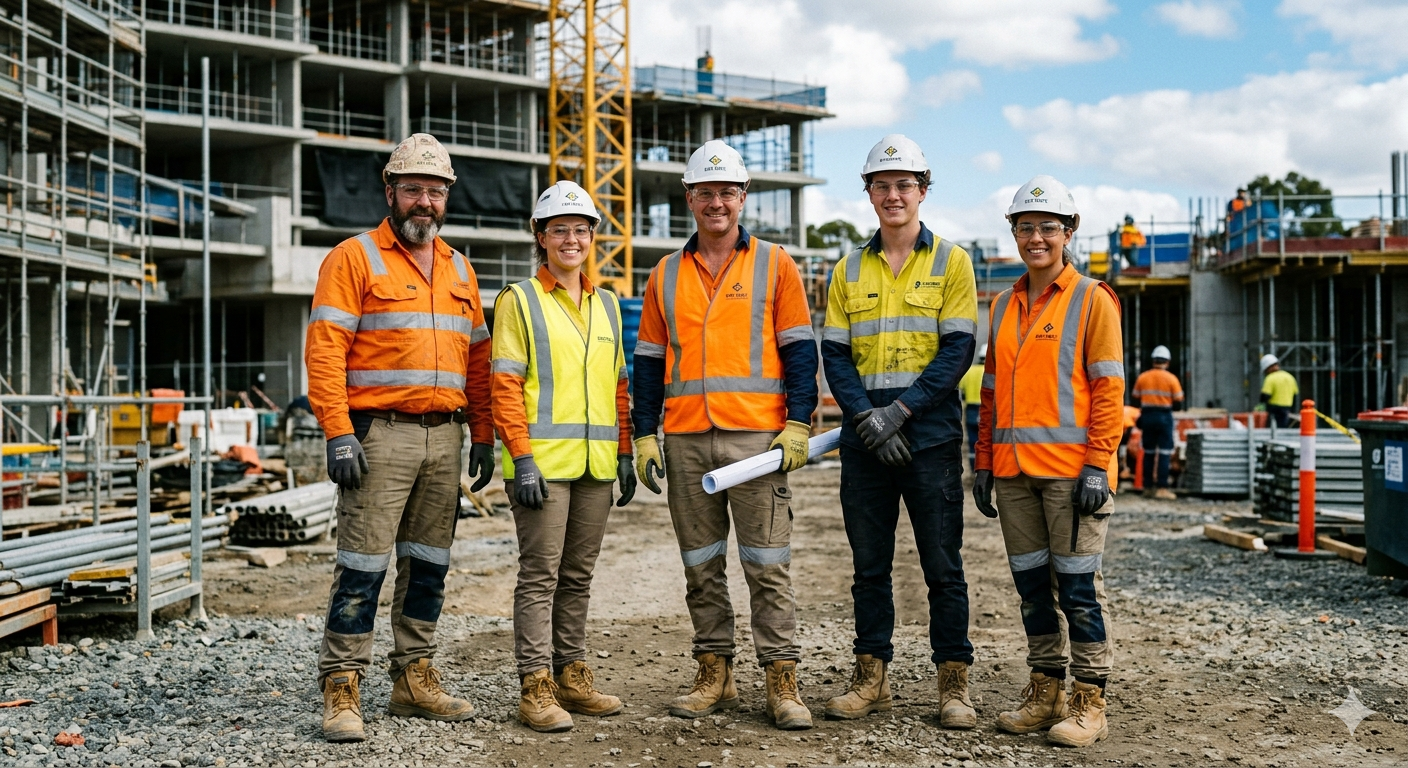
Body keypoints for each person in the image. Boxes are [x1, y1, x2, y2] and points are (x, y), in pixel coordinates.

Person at [305, 133, 495, 743]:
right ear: (390, 192)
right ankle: (342, 684)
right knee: (362, 564)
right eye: (413, 189)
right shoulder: (354, 258)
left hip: (446, 439)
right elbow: (325, 350)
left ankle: (414, 677)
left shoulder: (460, 268)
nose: (425, 202)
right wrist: (337, 431)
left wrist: (485, 436)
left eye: (435, 192)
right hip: (379, 436)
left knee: (429, 565)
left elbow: (480, 362)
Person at [632, 139, 820, 731]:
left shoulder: (774, 263)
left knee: (767, 564)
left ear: (744, 198)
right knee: (701, 565)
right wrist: (643, 434)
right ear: (689, 197)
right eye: (706, 192)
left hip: (758, 444)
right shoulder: (664, 273)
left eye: (728, 193)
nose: (718, 203)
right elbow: (647, 362)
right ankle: (714, 671)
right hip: (687, 439)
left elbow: (799, 352)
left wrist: (798, 421)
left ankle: (781, 681)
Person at [819, 134, 979, 727]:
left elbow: (957, 350)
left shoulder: (952, 262)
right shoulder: (847, 269)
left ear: (923, 191)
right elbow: (834, 355)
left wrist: (900, 412)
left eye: (903, 185)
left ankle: (953, 685)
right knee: (869, 567)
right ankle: (871, 679)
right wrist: (866, 417)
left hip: (930, 437)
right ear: (868, 193)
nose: (893, 195)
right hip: (866, 442)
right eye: (881, 185)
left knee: (943, 566)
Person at [972, 175, 1125, 748]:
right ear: (1014, 232)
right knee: (1033, 587)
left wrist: (1098, 463)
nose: (1036, 237)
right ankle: (1045, 688)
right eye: (1025, 227)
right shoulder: (1004, 303)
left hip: (1072, 474)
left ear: (1068, 233)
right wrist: (984, 460)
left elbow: (1109, 388)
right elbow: (990, 393)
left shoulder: (1092, 299)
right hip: (1015, 475)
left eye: (1047, 227)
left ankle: (1090, 700)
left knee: (1079, 588)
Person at [492, 180, 636, 732]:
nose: (571, 239)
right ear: (540, 236)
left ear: (592, 237)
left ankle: (571, 675)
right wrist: (520, 457)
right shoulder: (519, 300)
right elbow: (504, 385)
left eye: (581, 229)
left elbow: (617, 384)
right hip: (542, 467)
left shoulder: (605, 304)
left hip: (596, 465)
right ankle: (536, 686)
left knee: (578, 575)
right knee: (540, 576)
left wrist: (623, 451)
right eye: (560, 230)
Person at [1132, 345, 1183, 500]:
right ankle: (1162, 488)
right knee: (1164, 453)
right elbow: (1179, 403)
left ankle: (1148, 488)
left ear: (1153, 361)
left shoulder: (1143, 377)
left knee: (1148, 452)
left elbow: (1135, 399)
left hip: (1147, 417)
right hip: (1164, 417)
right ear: (1167, 362)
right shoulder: (1172, 379)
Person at [959, 345, 987, 471]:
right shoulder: (992, 372)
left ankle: (973, 469)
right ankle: (986, 470)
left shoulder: (969, 371)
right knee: (987, 442)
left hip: (971, 410)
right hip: (987, 411)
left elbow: (962, 393)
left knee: (973, 443)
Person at [1258, 354, 1298, 428]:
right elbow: (1295, 395)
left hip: (1274, 411)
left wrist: (1260, 406)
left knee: (1272, 431)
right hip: (1288, 409)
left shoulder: (1270, 378)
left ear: (1268, 368)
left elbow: (1265, 396)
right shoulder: (1290, 377)